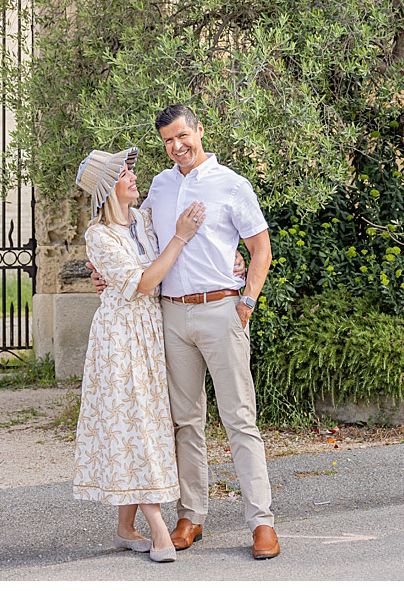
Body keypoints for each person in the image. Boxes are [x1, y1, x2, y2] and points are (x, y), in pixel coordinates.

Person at [90, 105, 280, 561]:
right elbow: (131, 237)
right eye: (168, 142)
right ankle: (191, 515)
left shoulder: (232, 185)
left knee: (240, 420)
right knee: (184, 423)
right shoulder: (160, 185)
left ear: (199, 130)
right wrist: (102, 275)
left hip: (221, 312)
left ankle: (262, 522)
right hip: (171, 317)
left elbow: (260, 251)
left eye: (182, 137)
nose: (177, 148)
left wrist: (246, 302)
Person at [72, 145, 206, 563]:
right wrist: (181, 238)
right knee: (135, 423)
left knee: (143, 421)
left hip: (150, 331)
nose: (133, 177)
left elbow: (165, 264)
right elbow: (144, 281)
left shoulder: (143, 220)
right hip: (120, 339)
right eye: (125, 174)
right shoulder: (99, 235)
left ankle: (125, 527)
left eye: (130, 171)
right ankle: (159, 528)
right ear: (111, 187)